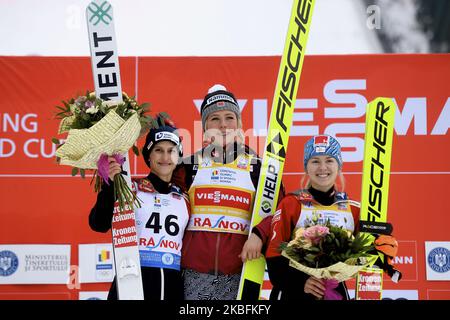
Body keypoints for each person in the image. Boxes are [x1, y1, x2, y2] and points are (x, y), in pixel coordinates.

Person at [172, 84, 284, 300]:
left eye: (229, 118)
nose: (223, 125)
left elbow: (281, 212)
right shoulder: (188, 166)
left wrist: (259, 234)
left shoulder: (260, 168)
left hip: (241, 273)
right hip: (195, 276)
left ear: (239, 124)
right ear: (205, 127)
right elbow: (162, 197)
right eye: (214, 119)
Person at [265, 134, 399, 300]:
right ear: (306, 167)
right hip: (293, 293)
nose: (322, 167)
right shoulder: (291, 203)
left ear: (339, 165)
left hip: (335, 292)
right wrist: (302, 281)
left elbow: (368, 253)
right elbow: (273, 257)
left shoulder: (354, 210)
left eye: (329, 160)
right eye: (315, 161)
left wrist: (383, 250)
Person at [89, 115, 189, 300]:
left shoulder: (184, 198)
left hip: (171, 287)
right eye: (158, 150)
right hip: (132, 284)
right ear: (148, 156)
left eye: (171, 151)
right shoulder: (130, 188)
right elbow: (98, 223)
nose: (165, 157)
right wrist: (110, 185)